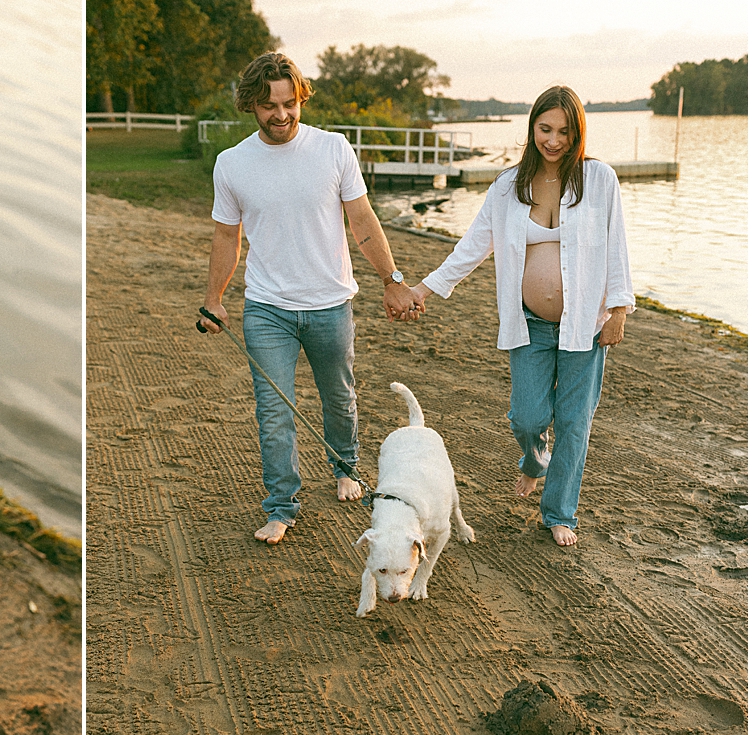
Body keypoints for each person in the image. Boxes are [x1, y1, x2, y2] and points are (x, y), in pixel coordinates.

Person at [200, 51, 425, 545]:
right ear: (251, 106)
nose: (280, 115)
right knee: (274, 411)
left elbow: (362, 221)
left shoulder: (334, 149)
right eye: (267, 105)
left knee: (339, 399)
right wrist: (214, 298)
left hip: (330, 304)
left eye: (288, 102)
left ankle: (346, 467)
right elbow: (225, 238)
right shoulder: (232, 164)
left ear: (300, 97)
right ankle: (281, 506)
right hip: (266, 309)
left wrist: (393, 279)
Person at [400, 85, 632, 546]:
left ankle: (559, 512)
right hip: (528, 324)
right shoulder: (507, 186)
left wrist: (620, 309)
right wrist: (422, 288)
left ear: (578, 133)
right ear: (531, 128)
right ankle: (533, 459)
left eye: (565, 131)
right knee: (527, 418)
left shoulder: (600, 179)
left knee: (573, 422)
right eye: (545, 129)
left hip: (585, 324)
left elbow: (617, 244)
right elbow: (472, 246)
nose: (554, 140)